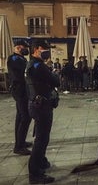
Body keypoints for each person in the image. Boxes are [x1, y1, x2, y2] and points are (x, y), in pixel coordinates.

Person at [25, 39, 60, 184]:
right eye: (45, 49)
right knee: (41, 139)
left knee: (42, 138)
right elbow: (56, 81)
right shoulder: (39, 66)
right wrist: (54, 73)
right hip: (42, 106)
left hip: (36, 104)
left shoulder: (31, 64)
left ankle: (41, 162)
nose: (47, 51)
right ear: (37, 49)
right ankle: (35, 173)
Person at [7, 39, 32, 155]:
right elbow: (22, 73)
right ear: (18, 47)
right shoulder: (14, 59)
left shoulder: (20, 58)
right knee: (25, 117)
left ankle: (20, 141)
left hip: (21, 89)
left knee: (20, 116)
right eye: (24, 47)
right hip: (20, 90)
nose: (26, 49)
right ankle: (19, 146)